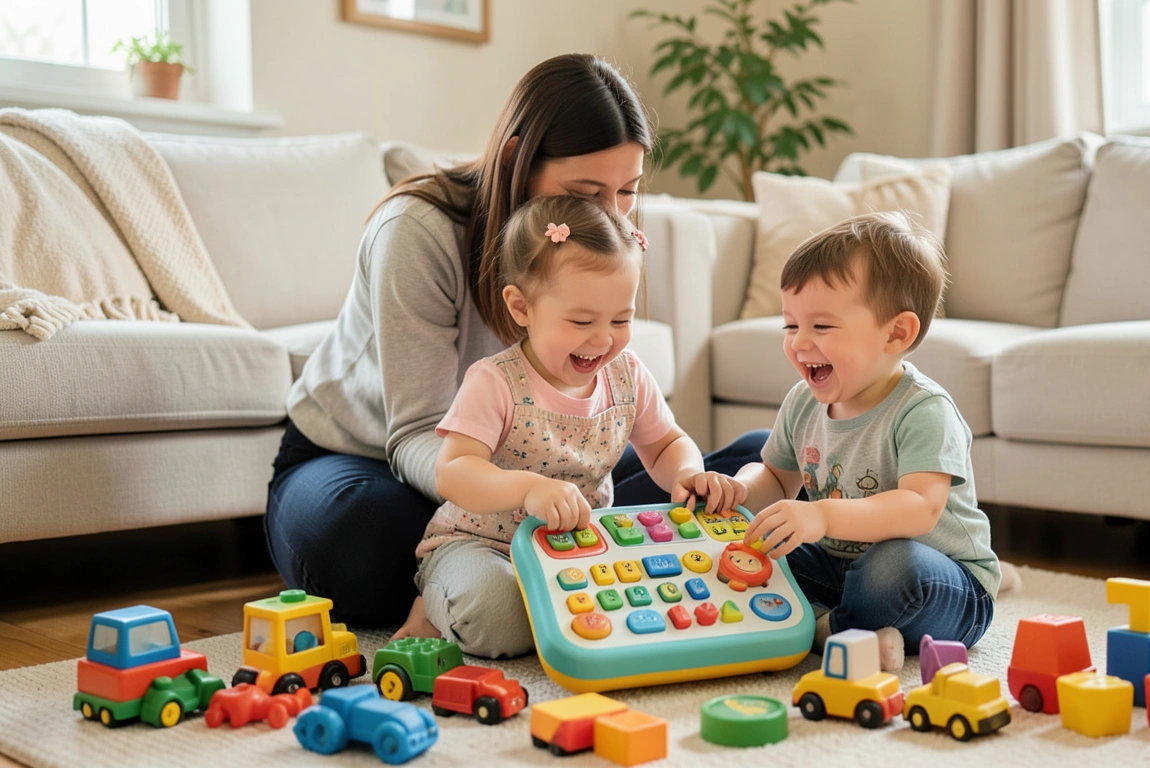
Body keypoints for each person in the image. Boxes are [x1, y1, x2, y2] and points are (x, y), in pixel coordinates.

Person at [265, 53, 769, 627]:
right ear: (517, 159)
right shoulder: (418, 231)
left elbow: (648, 438)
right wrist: (514, 493)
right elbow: (413, 436)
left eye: (626, 191)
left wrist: (677, 477)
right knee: (366, 549)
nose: (612, 217)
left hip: (535, 462)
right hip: (370, 456)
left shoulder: (607, 237)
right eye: (587, 192)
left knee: (760, 460)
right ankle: (536, 562)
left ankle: (572, 554)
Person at [391, 195, 745, 654]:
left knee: (642, 606)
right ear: (522, 308)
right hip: (481, 545)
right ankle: (431, 607)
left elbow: (664, 443)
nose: (602, 339)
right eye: (581, 321)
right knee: (502, 621)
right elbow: (453, 470)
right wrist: (526, 489)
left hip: (581, 547)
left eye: (621, 319)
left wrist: (687, 474)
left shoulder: (628, 375)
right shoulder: (495, 381)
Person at [736, 211, 1003, 672]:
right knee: (751, 543)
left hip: (943, 581)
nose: (800, 343)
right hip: (839, 568)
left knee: (892, 568)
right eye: (790, 325)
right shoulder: (803, 402)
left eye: (821, 327)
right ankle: (846, 627)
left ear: (896, 333)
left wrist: (820, 514)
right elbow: (776, 482)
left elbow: (920, 508)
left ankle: (825, 629)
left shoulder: (924, 409)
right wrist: (738, 490)